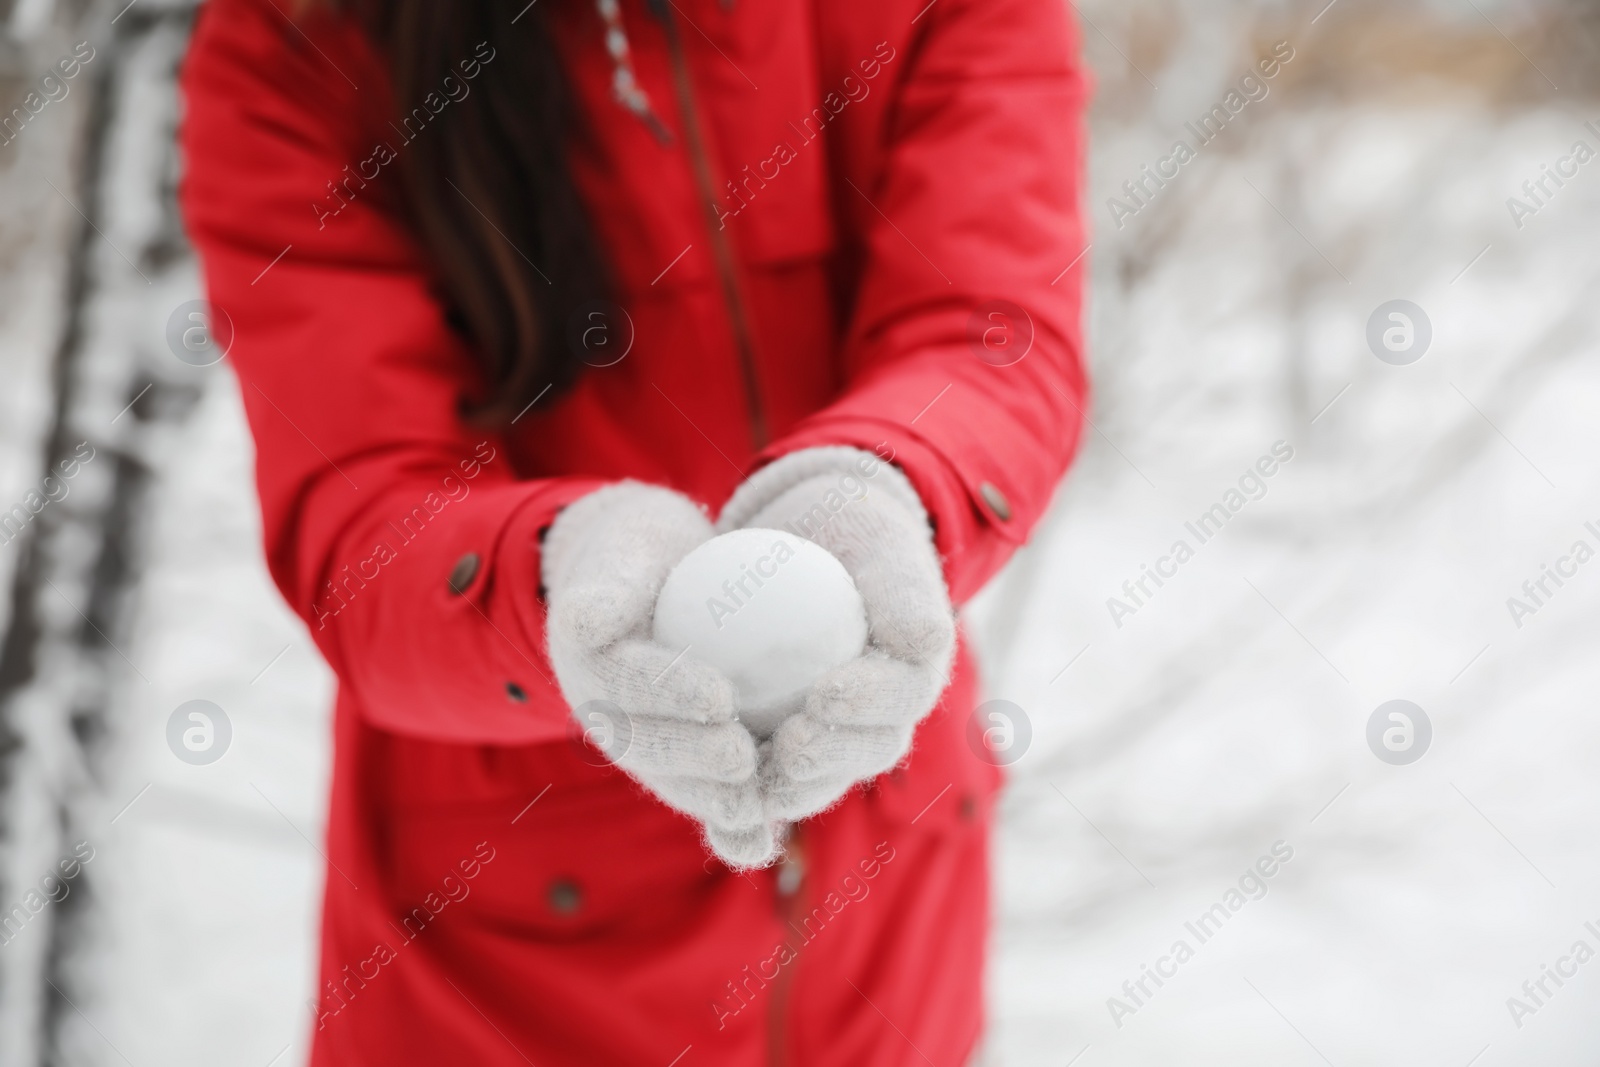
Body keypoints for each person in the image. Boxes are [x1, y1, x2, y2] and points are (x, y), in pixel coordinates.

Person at [179, 0, 1088, 1062]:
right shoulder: (301, 42)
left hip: (888, 916)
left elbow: (990, 329)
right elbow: (363, 519)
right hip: (503, 969)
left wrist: (886, 481)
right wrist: (558, 574)